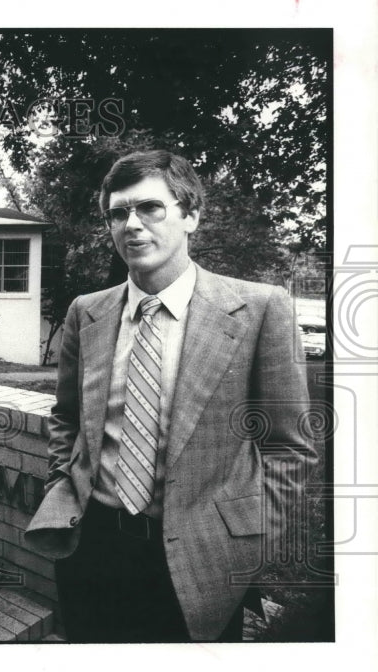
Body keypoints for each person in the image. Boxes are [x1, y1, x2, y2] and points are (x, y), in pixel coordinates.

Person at [24, 150, 316, 642]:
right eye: (118, 213)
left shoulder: (260, 309)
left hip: (202, 556)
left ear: (191, 215)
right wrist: (63, 482)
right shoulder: (86, 313)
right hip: (92, 545)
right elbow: (67, 416)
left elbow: (290, 446)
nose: (131, 225)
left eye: (149, 208)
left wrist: (249, 537)